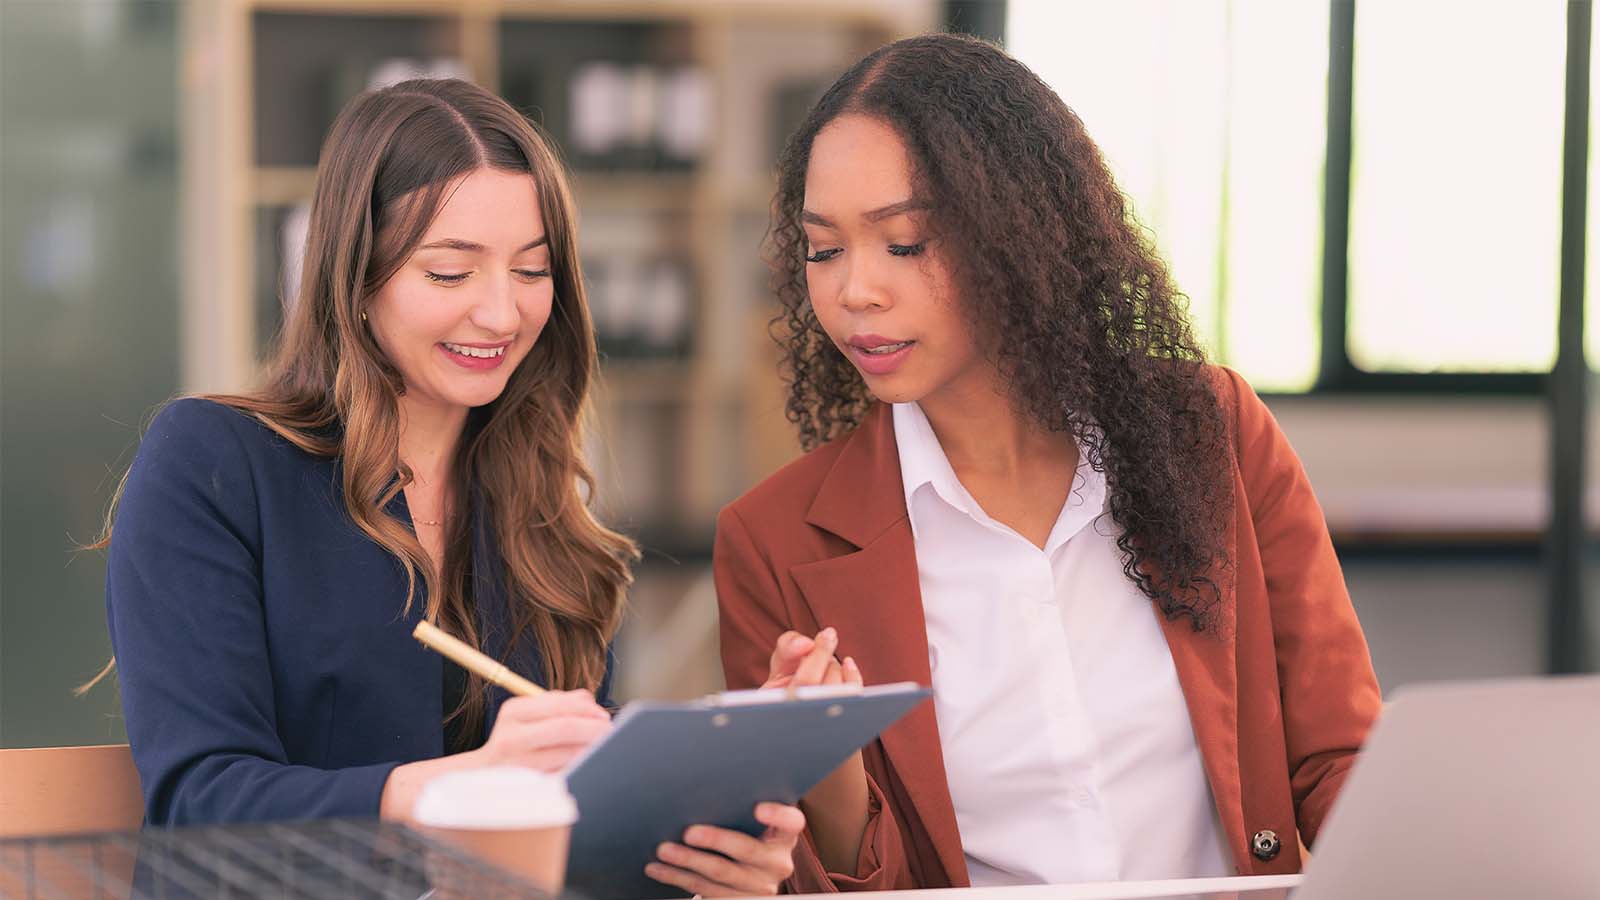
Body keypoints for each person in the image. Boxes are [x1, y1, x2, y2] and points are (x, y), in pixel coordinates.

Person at [714, 33, 1381, 890]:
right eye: (824, 248)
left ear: (1019, 232)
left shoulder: (1213, 435)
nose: (854, 291)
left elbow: (1339, 759)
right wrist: (827, 782)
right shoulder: (773, 542)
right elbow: (813, 883)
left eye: (905, 243)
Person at [104, 77, 799, 896]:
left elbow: (571, 840)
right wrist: (456, 793)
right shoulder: (217, 463)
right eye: (449, 274)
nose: (502, 314)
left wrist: (704, 837)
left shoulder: (544, 506)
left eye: (532, 270)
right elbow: (200, 805)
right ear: (355, 279)